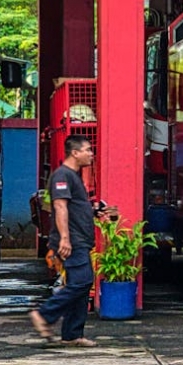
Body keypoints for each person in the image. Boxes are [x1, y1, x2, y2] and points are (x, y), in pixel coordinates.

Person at [28, 135, 115, 347]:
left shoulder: (73, 177)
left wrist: (95, 211)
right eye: (87, 150)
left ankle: (72, 334)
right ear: (75, 153)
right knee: (81, 282)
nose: (91, 154)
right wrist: (64, 239)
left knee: (82, 285)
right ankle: (44, 315)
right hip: (71, 240)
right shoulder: (62, 175)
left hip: (80, 239)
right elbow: (60, 206)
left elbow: (74, 207)